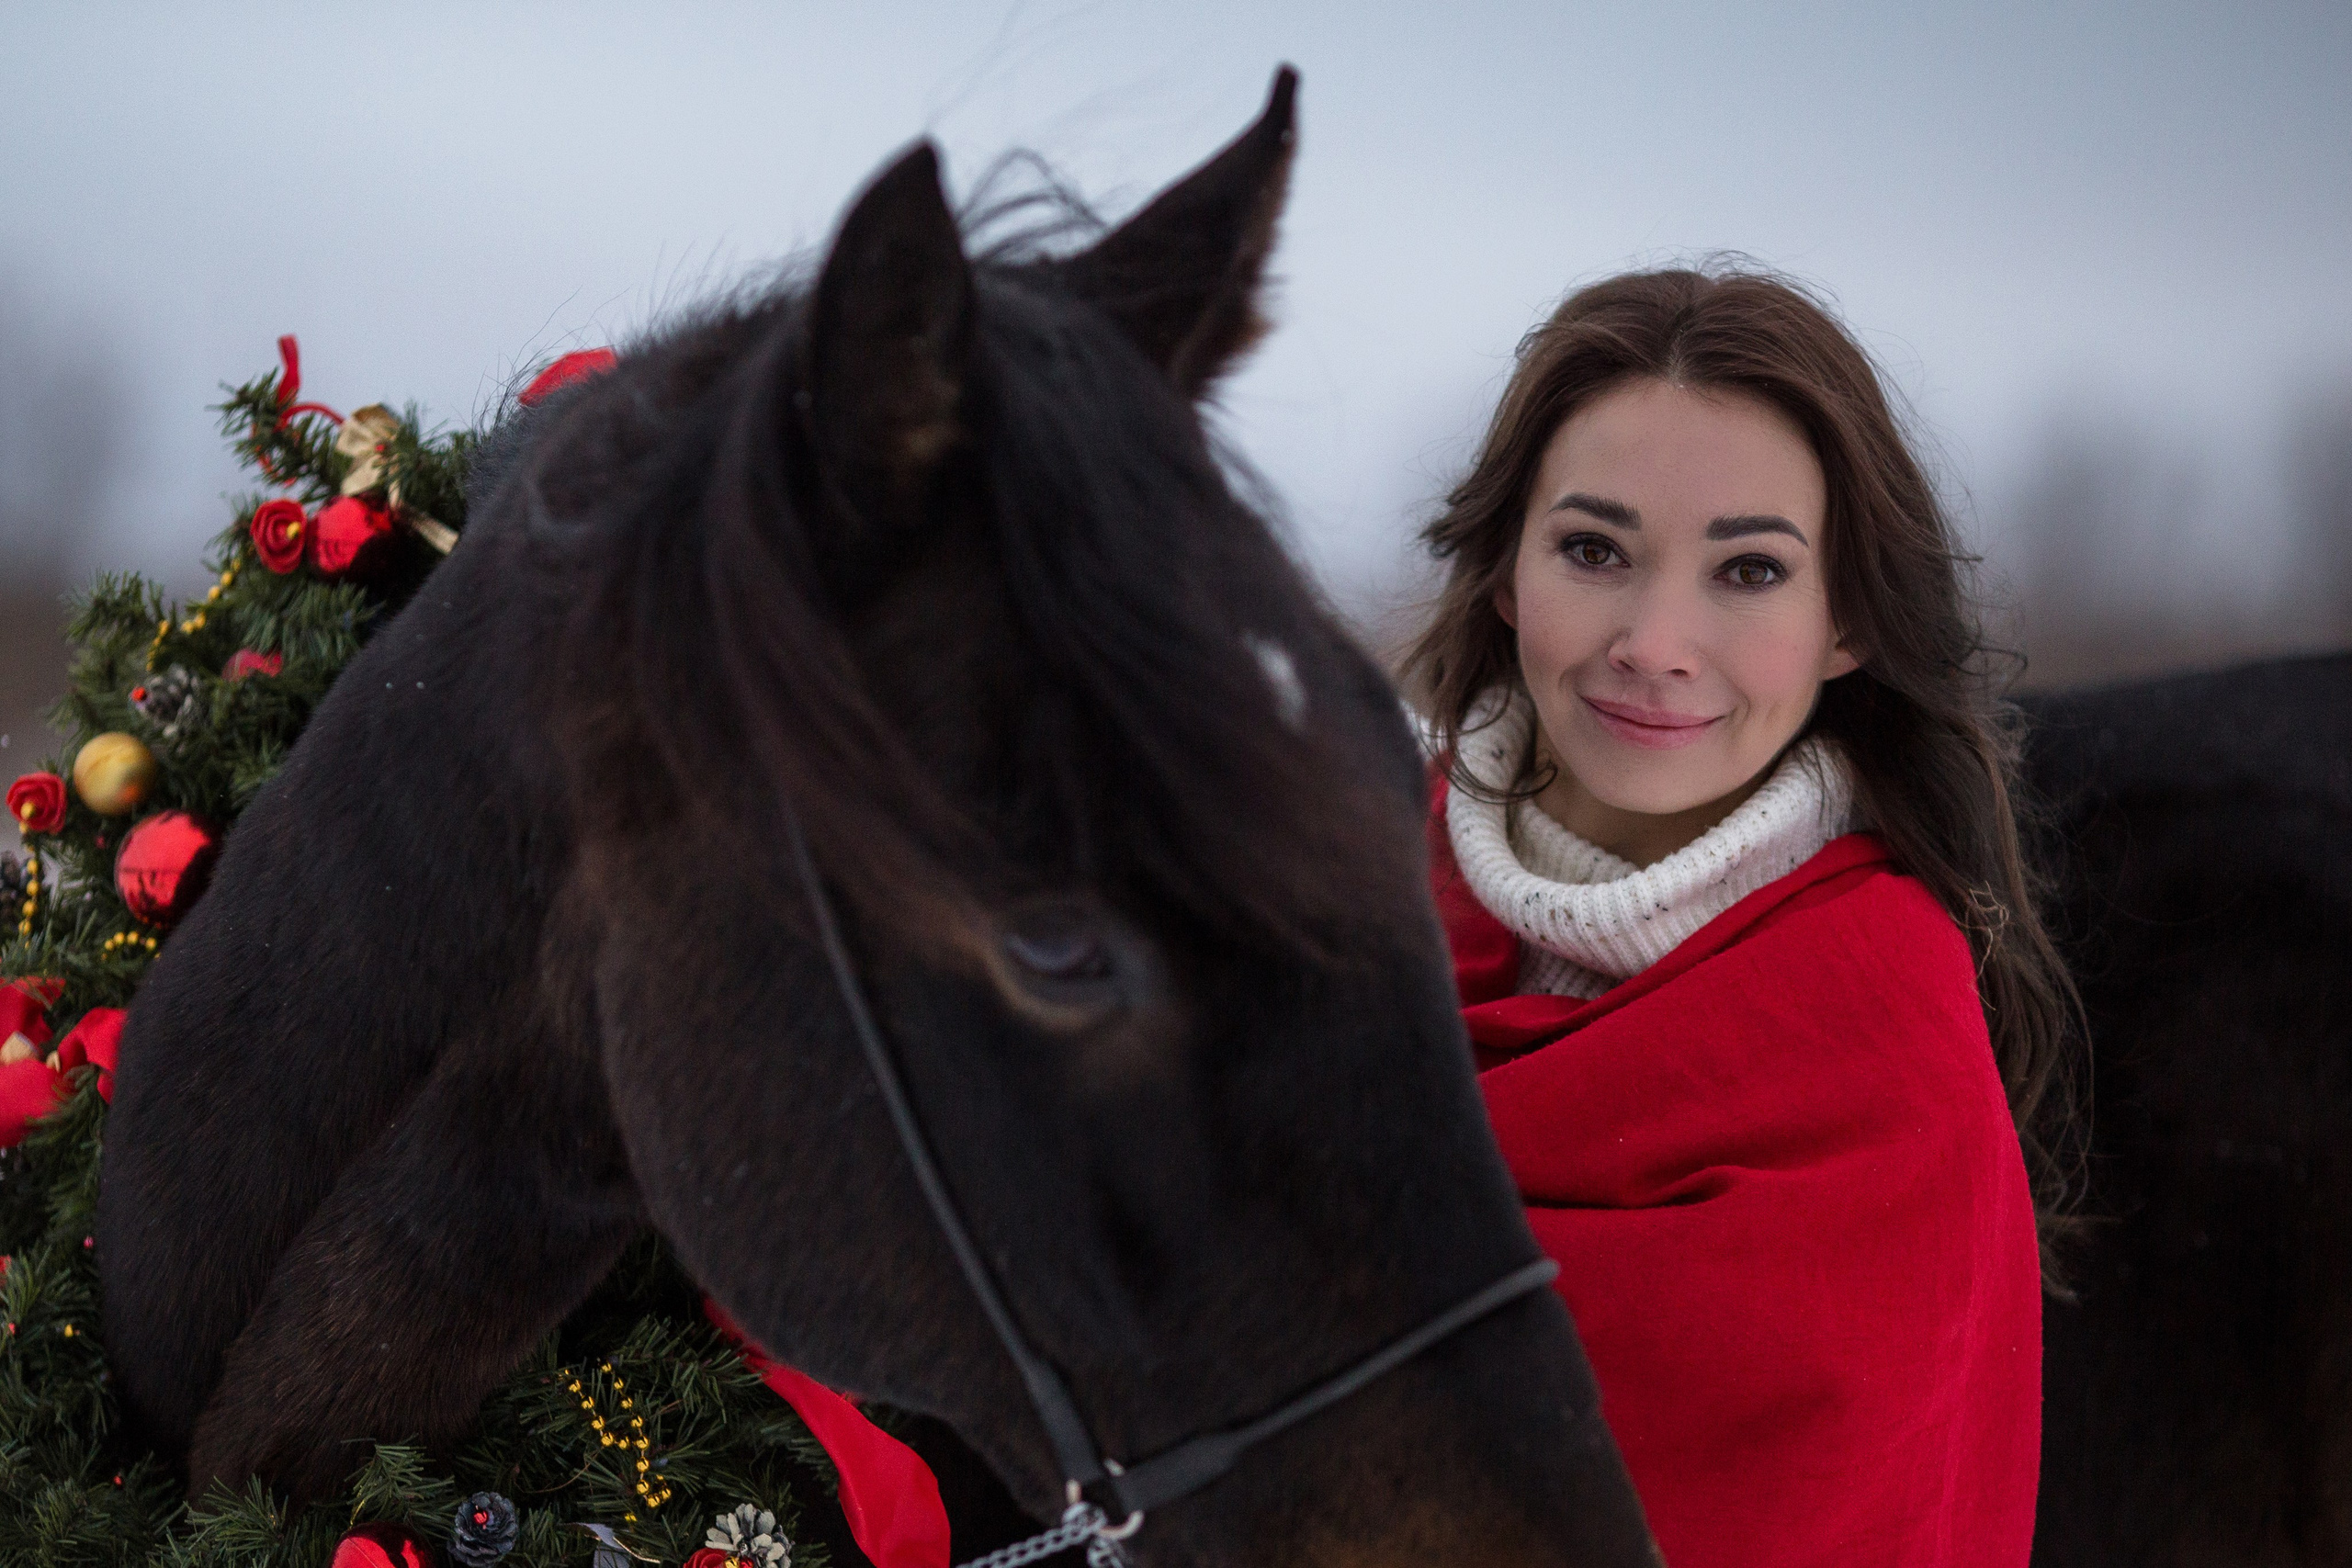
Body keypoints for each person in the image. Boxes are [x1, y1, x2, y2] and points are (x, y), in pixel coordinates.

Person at [1401, 267, 2079, 1567]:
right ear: (1506, 574)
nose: (1656, 642)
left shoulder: (1886, 1048)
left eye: (1750, 570)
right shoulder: (1315, 919)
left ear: (1848, 625)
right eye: (1594, 551)